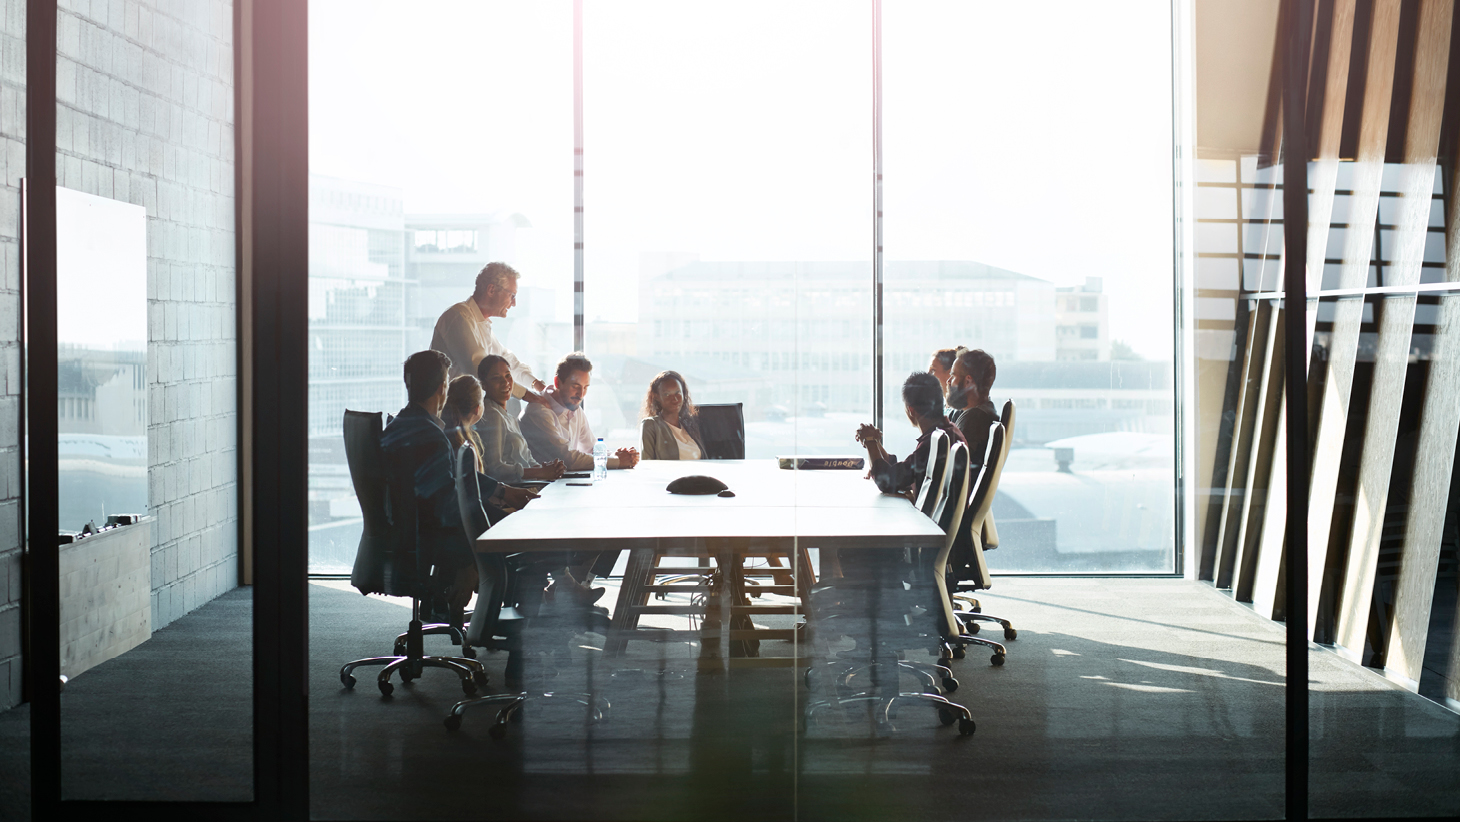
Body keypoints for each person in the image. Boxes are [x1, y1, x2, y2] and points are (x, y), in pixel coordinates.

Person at [381, 351, 538, 622]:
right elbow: (445, 507)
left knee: (507, 520)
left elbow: (451, 482)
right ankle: (510, 626)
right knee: (519, 530)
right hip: (428, 538)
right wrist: (469, 561)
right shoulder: (431, 436)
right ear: (443, 388)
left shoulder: (399, 425)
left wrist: (500, 490)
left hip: (400, 533)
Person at [429, 261, 550, 408]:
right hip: (450, 417)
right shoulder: (458, 317)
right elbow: (481, 369)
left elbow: (509, 363)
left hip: (466, 414)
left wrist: (538, 386)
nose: (514, 303)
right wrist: (530, 397)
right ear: (491, 290)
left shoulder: (482, 324)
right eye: (512, 295)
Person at [855, 371, 966, 500]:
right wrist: (876, 443)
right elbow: (903, 474)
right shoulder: (948, 432)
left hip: (928, 520)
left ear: (911, 410)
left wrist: (870, 441)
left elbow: (887, 481)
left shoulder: (935, 441)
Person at [521, 352, 639, 471]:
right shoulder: (538, 412)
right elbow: (567, 459)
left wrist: (620, 456)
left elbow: (591, 449)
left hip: (563, 483)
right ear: (557, 383)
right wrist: (617, 461)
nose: (581, 394)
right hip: (540, 488)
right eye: (575, 386)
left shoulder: (574, 407)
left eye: (585, 387)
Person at [475, 355, 567, 483]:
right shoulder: (492, 415)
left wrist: (548, 470)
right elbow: (495, 469)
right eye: (496, 378)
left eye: (508, 375)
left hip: (528, 484)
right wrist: (540, 472)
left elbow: (527, 459)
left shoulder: (508, 416)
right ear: (483, 385)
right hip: (514, 492)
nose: (506, 382)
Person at [946, 347, 999, 468]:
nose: (948, 381)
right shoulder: (985, 412)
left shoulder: (974, 418)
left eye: (953, 376)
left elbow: (949, 469)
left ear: (968, 381)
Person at [639, 370, 707, 460]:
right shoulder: (650, 425)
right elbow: (647, 463)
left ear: (683, 393)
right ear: (657, 397)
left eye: (677, 392)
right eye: (667, 394)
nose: (674, 399)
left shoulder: (690, 425)